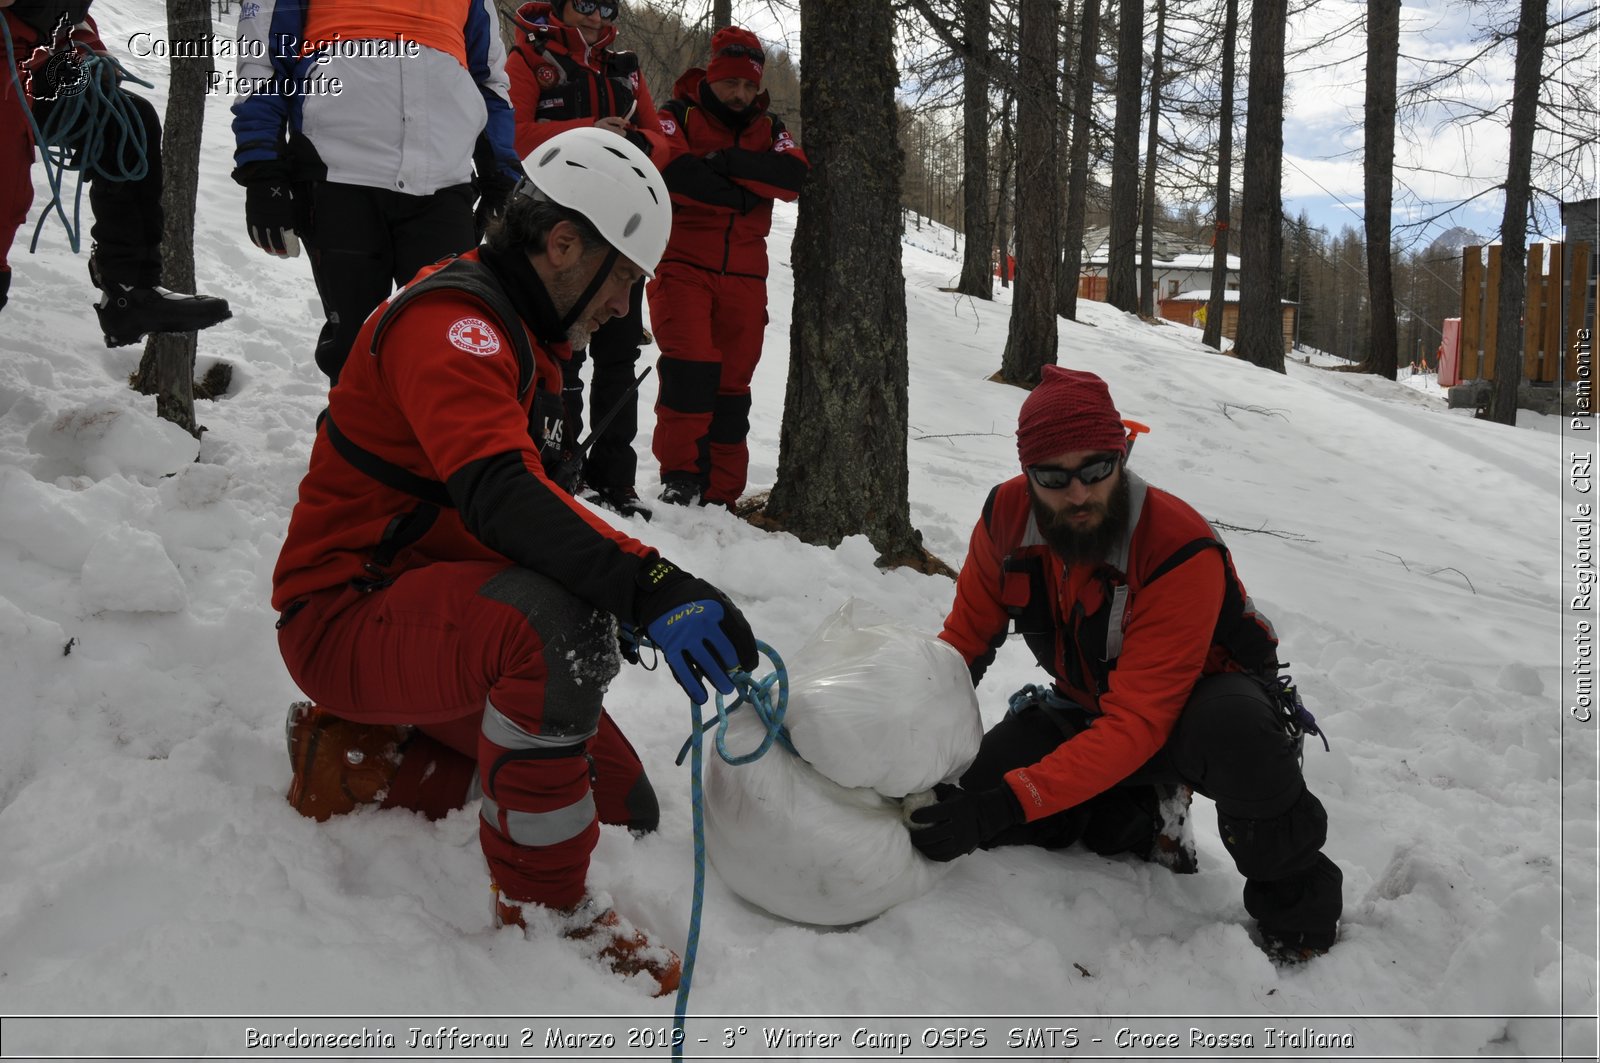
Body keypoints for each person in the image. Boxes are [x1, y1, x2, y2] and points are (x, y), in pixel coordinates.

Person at [272, 128, 758, 994]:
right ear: (563, 243)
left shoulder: (522, 340)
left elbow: (528, 507)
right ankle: (547, 909)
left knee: (619, 800)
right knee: (556, 629)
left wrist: (632, 578)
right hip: (347, 614)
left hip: (432, 608)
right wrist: (649, 584)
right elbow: (502, 495)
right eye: (625, 282)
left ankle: (361, 759)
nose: (625, 310)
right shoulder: (450, 325)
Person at [911, 367, 1343, 964]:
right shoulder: (1006, 517)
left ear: (1123, 454)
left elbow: (1141, 721)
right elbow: (963, 643)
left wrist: (1008, 802)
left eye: (1096, 469)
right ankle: (1136, 812)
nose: (1079, 493)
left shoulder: (1175, 545)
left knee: (1233, 733)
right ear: (1027, 474)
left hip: (1202, 710)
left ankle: (1297, 915)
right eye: (1053, 477)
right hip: (1089, 705)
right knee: (973, 798)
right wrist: (906, 726)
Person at [230, 0, 521, 385]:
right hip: (338, 179)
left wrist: (501, 175)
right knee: (354, 354)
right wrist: (262, 171)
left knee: (447, 350)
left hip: (442, 184)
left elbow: (489, 81)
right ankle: (350, 443)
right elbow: (262, 64)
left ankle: (435, 444)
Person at [504, 0, 669, 520]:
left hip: (619, 228)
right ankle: (557, 462)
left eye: (606, 5)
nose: (595, 15)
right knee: (561, 352)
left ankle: (614, 480)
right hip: (556, 224)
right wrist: (590, 132)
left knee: (619, 357)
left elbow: (663, 146)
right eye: (584, 4)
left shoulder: (625, 67)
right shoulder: (530, 59)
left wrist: (630, 141)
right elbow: (515, 134)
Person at [0, 0, 230, 343]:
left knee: (129, 122)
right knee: (6, 181)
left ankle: (130, 291)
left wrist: (91, 51)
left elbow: (66, 12)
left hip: (34, 59)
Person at [647, 27, 807, 508]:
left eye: (748, 86)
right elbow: (672, 172)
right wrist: (746, 192)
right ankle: (680, 477)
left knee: (733, 388)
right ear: (712, 77)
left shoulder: (771, 128)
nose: (739, 95)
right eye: (730, 84)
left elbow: (793, 175)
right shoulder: (676, 114)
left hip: (745, 277)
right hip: (682, 266)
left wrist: (722, 161)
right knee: (688, 372)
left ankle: (722, 492)